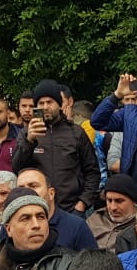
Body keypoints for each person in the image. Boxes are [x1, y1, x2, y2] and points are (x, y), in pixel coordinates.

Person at [12, 79, 102, 215]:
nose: (45, 106)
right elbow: (17, 168)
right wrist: (29, 141)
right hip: (37, 209)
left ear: (59, 105)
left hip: (72, 209)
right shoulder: (26, 134)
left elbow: (92, 172)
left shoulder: (76, 132)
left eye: (50, 102)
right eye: (41, 103)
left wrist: (82, 203)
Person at [13, 167, 99, 251]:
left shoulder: (77, 227)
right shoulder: (12, 225)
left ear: (51, 193)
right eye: (21, 189)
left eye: (33, 186)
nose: (27, 192)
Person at [85, 173, 137, 252]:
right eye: (109, 200)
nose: (113, 207)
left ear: (134, 201)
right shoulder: (94, 219)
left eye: (119, 201)